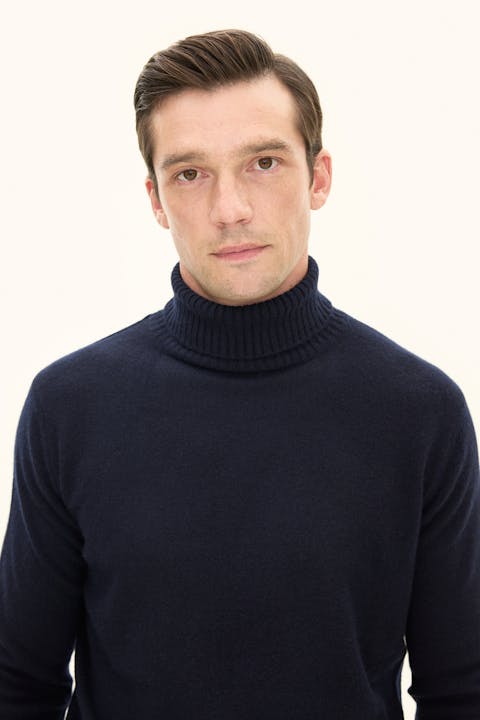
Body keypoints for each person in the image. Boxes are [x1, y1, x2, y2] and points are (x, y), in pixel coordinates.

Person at [0, 28, 479, 719]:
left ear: (318, 178)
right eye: (190, 174)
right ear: (156, 199)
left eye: (263, 163)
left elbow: (460, 691)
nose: (230, 210)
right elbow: (19, 684)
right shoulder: (68, 407)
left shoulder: (420, 412)